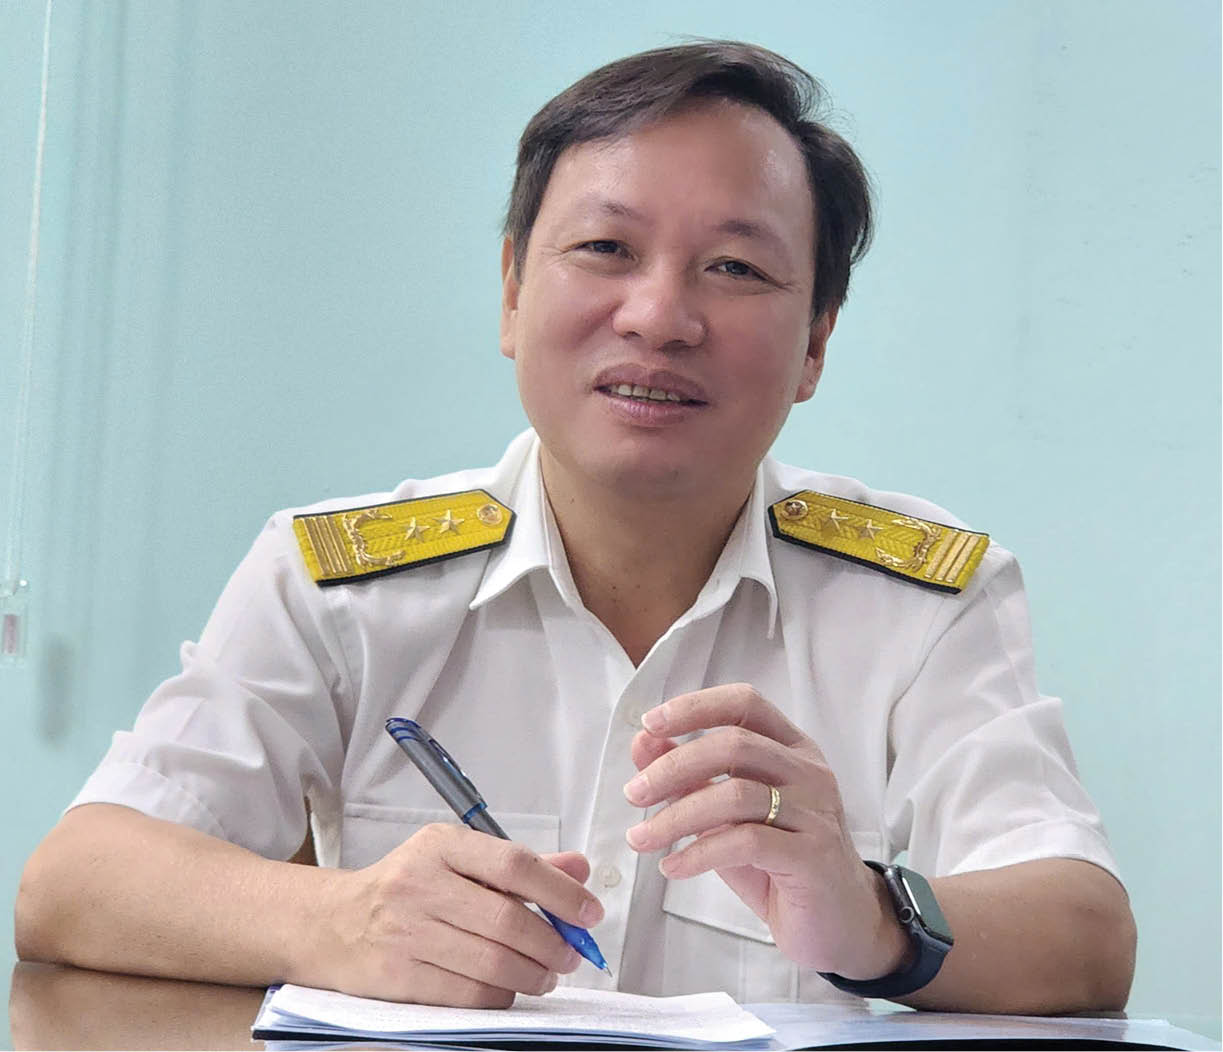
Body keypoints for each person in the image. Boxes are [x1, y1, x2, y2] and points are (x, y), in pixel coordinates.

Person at [15, 41, 1135, 1013]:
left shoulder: (924, 600)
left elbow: (1084, 934)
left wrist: (872, 919)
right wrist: (338, 918)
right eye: (604, 249)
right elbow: (73, 882)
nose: (658, 316)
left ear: (814, 344)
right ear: (511, 291)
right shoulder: (337, 582)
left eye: (735, 267)